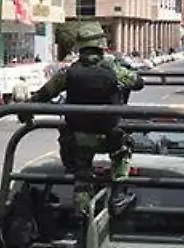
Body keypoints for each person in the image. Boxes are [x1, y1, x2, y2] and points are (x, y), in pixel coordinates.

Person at [23, 21, 145, 213]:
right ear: (102, 45)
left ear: (79, 47)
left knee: (82, 178)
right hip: (109, 138)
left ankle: (82, 213)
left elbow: (43, 94)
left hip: (78, 139)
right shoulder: (113, 70)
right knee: (123, 149)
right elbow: (139, 82)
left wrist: (25, 110)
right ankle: (118, 195)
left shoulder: (68, 73)